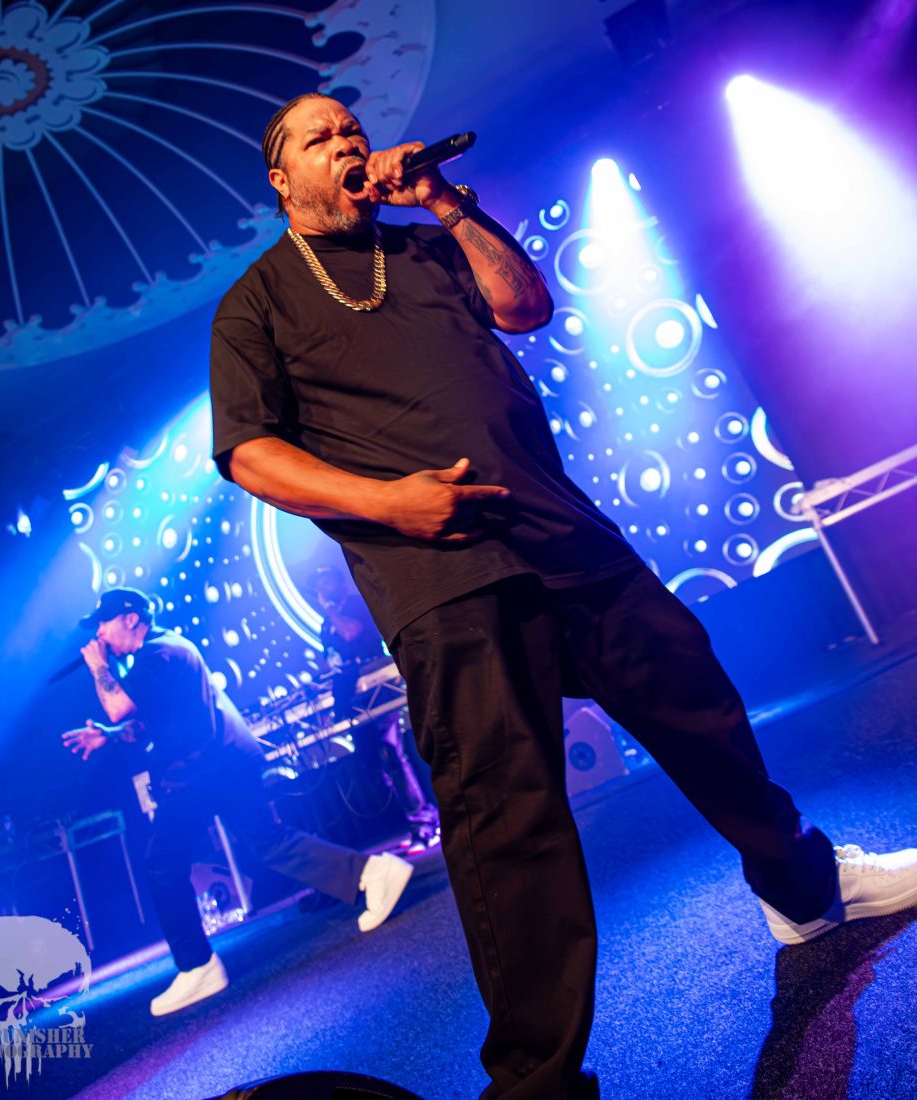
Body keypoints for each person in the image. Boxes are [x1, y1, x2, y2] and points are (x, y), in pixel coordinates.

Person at [208, 92, 917, 1099]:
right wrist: (390, 502)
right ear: (283, 181)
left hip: (559, 533)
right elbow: (250, 453)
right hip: (442, 577)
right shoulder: (254, 304)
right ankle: (535, 1082)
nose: (348, 143)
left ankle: (805, 890)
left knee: (699, 704)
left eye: (352, 130)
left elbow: (523, 305)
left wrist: (444, 201)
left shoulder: (422, 245)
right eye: (321, 139)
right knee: (509, 821)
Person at [61, 587, 413, 1017]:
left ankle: (197, 966)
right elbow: (143, 721)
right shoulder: (163, 652)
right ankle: (374, 873)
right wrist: (110, 735)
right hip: (223, 762)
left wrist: (98, 666)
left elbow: (118, 707)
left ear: (130, 618)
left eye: (103, 623)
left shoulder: (157, 653)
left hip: (202, 770)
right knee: (268, 841)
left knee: (162, 862)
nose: (98, 634)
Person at [310, 565, 440, 852]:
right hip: (354, 698)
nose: (323, 588)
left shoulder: (355, 605)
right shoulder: (326, 623)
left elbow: (352, 633)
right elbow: (332, 658)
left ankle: (424, 823)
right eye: (319, 584)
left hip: (377, 689)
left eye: (327, 581)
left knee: (391, 751)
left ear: (339, 583)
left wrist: (331, 612)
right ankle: (414, 819)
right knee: (372, 762)